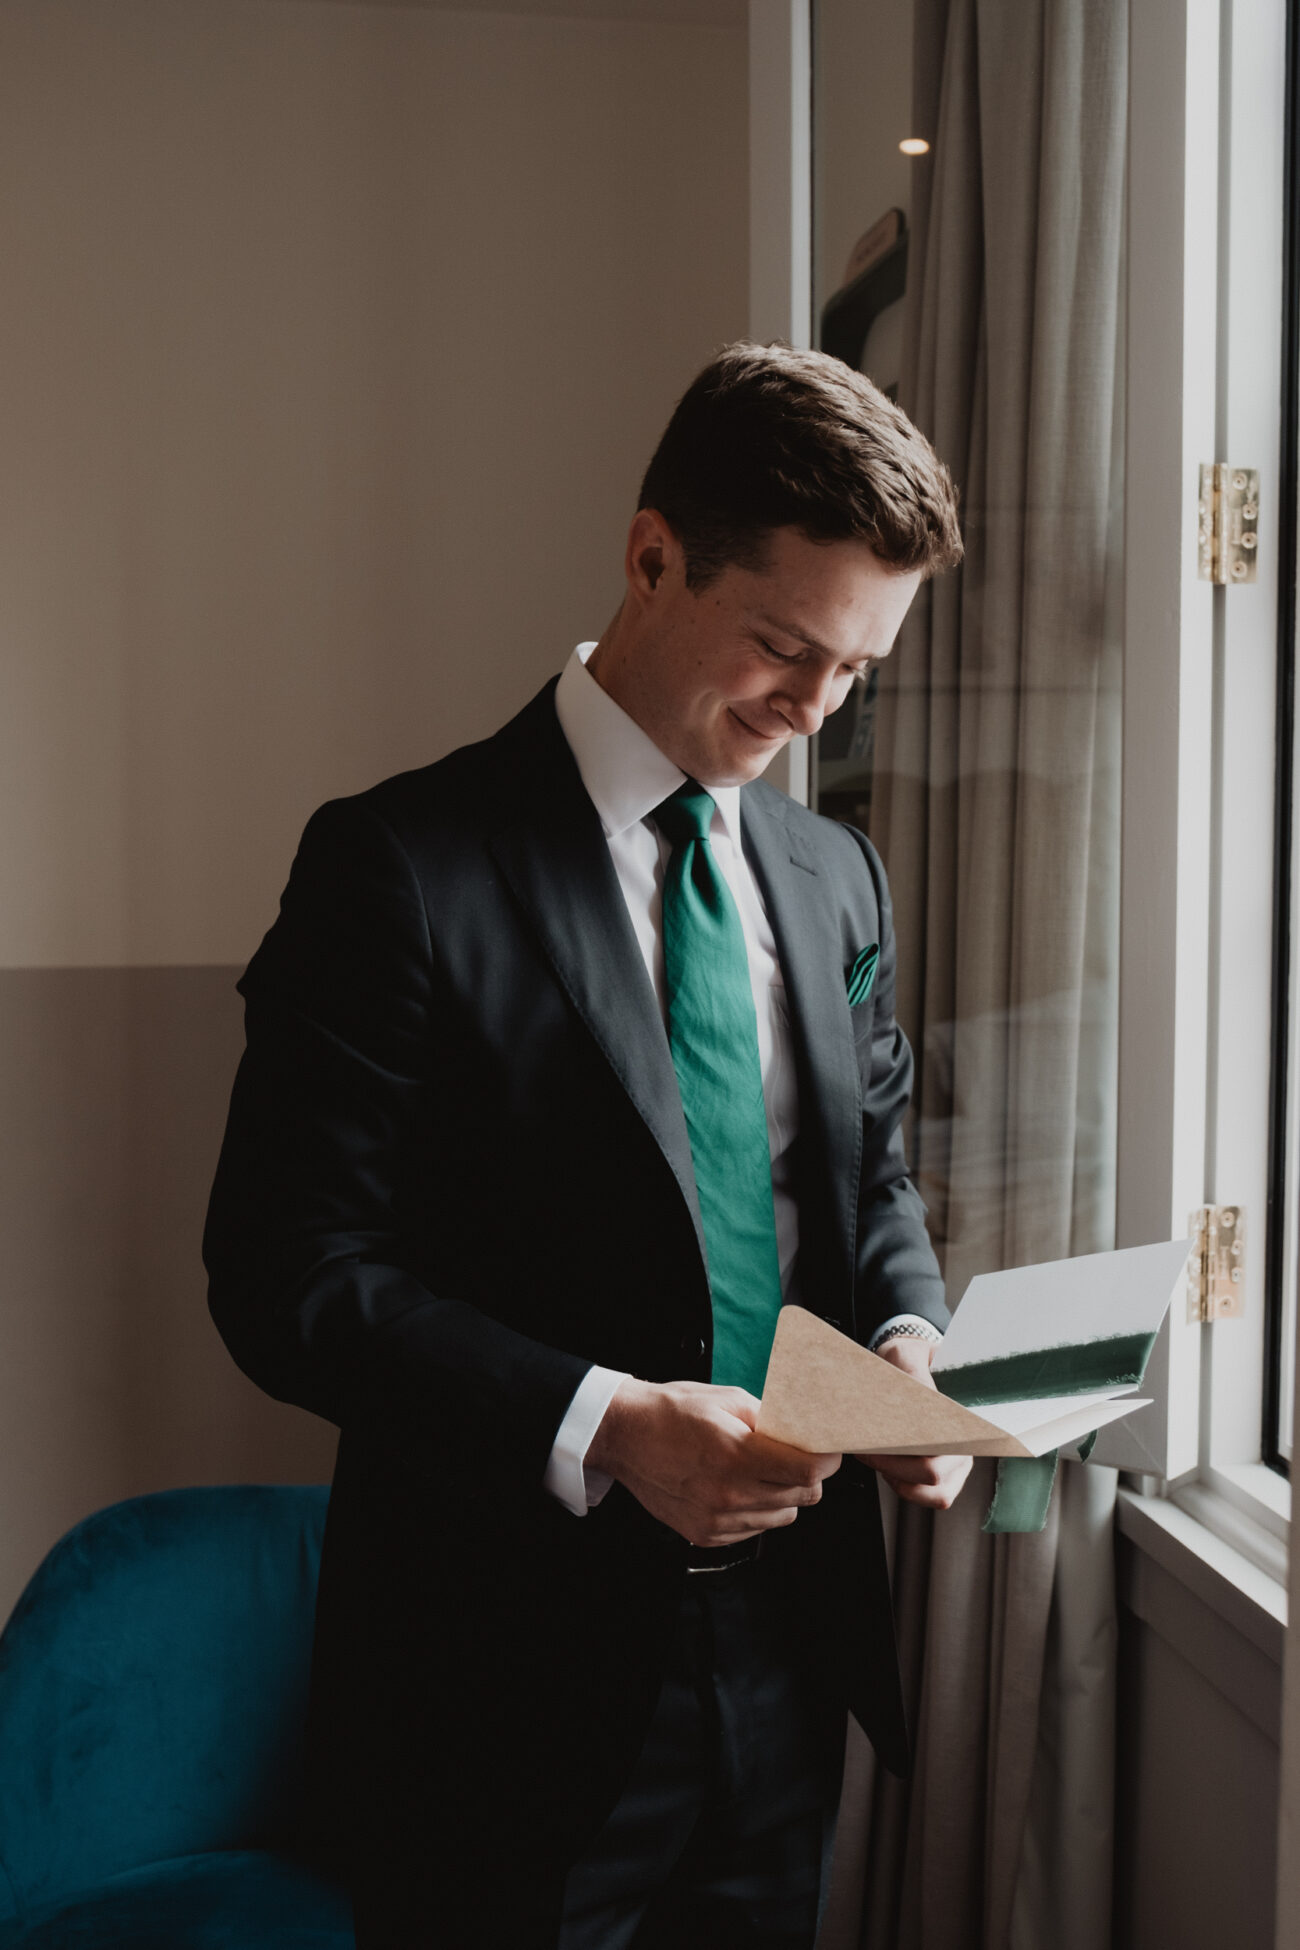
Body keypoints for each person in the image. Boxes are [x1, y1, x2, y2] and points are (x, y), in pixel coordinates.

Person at [203, 340, 970, 1950]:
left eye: (858, 672)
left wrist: (907, 1336)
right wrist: (605, 1421)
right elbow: (285, 1272)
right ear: (650, 556)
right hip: (491, 1680)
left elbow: (870, 1175)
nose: (815, 709)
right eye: (784, 645)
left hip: (790, 1653)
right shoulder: (398, 866)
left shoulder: (837, 875)